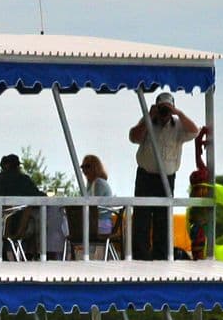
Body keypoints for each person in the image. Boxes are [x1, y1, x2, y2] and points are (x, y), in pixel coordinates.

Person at [127, 91, 199, 260]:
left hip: (167, 179)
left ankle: (161, 257)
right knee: (142, 218)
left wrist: (178, 113)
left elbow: (194, 131)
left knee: (163, 219)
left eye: (167, 109)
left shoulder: (178, 126)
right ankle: (140, 257)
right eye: (162, 108)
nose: (164, 113)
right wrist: (148, 116)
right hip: (145, 176)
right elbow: (133, 137)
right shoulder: (148, 123)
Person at [79, 153, 115, 254]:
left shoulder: (98, 183)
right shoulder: (91, 184)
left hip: (101, 223)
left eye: (87, 166)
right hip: (96, 222)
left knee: (68, 225)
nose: (84, 170)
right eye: (83, 167)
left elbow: (94, 208)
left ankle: (75, 256)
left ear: (95, 167)